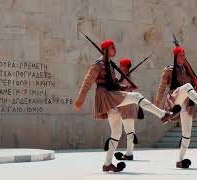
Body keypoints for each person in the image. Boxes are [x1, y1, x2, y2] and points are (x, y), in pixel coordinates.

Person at [75, 39, 179, 172]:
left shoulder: (110, 65)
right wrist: (80, 99)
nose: (115, 49)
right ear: (106, 49)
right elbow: (87, 82)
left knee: (117, 133)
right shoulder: (98, 64)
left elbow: (115, 84)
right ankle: (163, 114)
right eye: (112, 47)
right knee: (136, 97)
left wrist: (127, 86)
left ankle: (107, 164)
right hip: (106, 96)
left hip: (111, 95)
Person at [155, 46, 197, 169]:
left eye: (184, 55)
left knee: (187, 135)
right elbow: (161, 87)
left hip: (187, 104)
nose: (183, 58)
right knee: (187, 86)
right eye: (180, 56)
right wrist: (157, 104)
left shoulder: (187, 70)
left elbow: (194, 87)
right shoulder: (169, 70)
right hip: (175, 98)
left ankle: (180, 160)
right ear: (175, 57)